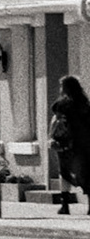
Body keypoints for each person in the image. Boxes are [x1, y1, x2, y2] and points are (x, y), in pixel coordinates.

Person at [48, 76, 90, 215]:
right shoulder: (84, 103)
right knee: (85, 173)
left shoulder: (61, 104)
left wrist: (52, 137)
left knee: (65, 173)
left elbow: (56, 121)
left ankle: (65, 205)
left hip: (65, 144)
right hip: (84, 144)